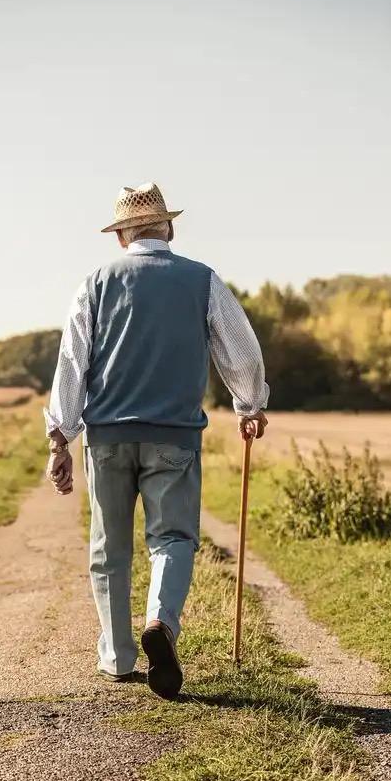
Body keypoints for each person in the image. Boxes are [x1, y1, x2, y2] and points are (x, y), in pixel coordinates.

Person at [44, 182, 268, 700]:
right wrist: (250, 404)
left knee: (109, 547)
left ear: (121, 236)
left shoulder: (96, 283)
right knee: (172, 538)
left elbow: (72, 362)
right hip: (174, 436)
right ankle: (161, 622)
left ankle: (118, 658)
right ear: (169, 228)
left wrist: (60, 437)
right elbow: (240, 350)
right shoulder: (202, 279)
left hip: (108, 437)